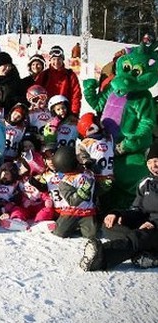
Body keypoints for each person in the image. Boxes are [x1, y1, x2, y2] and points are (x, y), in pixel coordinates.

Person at [80, 141, 158, 271]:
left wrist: (154, 224)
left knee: (141, 236)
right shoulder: (145, 183)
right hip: (146, 227)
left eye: (156, 160)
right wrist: (118, 214)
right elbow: (137, 209)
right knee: (110, 225)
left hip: (154, 229)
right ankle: (146, 253)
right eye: (149, 162)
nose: (153, 165)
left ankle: (101, 256)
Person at [51, 146, 97, 239]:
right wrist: (84, 189)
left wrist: (105, 185)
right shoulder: (65, 181)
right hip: (71, 212)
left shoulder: (88, 173)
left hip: (87, 212)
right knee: (60, 233)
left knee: (92, 235)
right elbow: (73, 201)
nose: (80, 160)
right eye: (77, 158)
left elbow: (96, 188)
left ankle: (83, 226)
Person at [36, 45, 82, 116]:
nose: (56, 62)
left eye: (59, 59)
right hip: (46, 112)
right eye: (54, 59)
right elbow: (36, 93)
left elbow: (76, 95)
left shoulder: (69, 75)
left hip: (64, 112)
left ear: (63, 60)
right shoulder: (44, 74)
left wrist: (74, 113)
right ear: (50, 60)